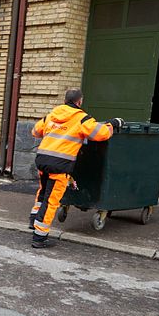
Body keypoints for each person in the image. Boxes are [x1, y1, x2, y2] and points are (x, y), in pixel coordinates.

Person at [29, 88, 123, 249]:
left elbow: (35, 131)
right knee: (51, 200)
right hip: (59, 165)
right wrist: (113, 123)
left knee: (43, 192)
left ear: (65, 100)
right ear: (79, 101)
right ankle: (39, 236)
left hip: (43, 160)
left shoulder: (52, 115)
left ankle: (34, 220)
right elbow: (101, 134)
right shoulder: (81, 118)